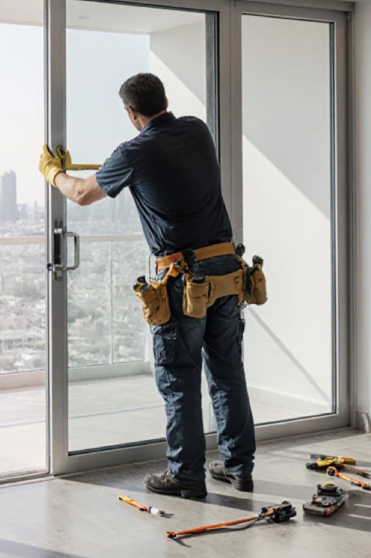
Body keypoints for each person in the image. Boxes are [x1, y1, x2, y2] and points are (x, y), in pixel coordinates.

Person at [38, 72, 255, 500]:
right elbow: (161, 166)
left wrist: (52, 172)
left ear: (130, 112)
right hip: (228, 270)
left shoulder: (134, 152)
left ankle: (186, 475)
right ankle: (239, 467)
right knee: (228, 372)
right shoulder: (196, 130)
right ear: (165, 99)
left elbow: (81, 193)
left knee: (179, 376)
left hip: (182, 279)